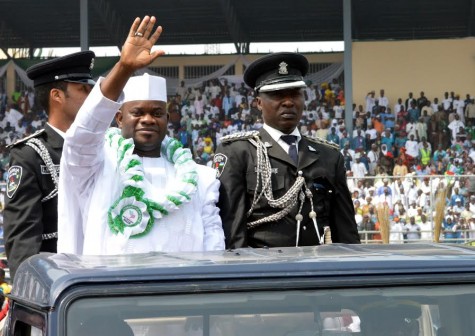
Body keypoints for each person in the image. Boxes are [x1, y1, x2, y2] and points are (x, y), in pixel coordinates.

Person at [57, 16, 224, 255]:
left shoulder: (199, 177)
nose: (148, 119)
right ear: (119, 118)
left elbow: (214, 244)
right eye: (137, 112)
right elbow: (81, 136)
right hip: (111, 290)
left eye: (157, 113)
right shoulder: (95, 165)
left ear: (167, 119)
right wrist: (124, 68)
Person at [213, 52, 360, 248]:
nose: (289, 102)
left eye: (295, 93)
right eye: (277, 95)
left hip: (316, 269)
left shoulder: (329, 155)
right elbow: (232, 229)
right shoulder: (238, 152)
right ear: (258, 102)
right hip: (263, 270)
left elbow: (346, 230)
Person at [3, 51, 95, 279]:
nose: (92, 95)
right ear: (57, 95)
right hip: (60, 287)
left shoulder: (103, 147)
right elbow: (23, 239)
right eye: (83, 89)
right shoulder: (30, 155)